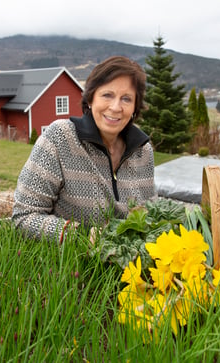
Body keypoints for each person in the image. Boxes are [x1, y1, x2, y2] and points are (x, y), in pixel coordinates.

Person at [12, 56, 156, 243]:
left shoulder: (143, 152)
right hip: (67, 267)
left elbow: (149, 218)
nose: (115, 107)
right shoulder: (60, 138)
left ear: (135, 107)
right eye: (107, 95)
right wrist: (83, 236)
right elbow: (24, 216)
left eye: (126, 99)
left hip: (126, 269)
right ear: (90, 99)